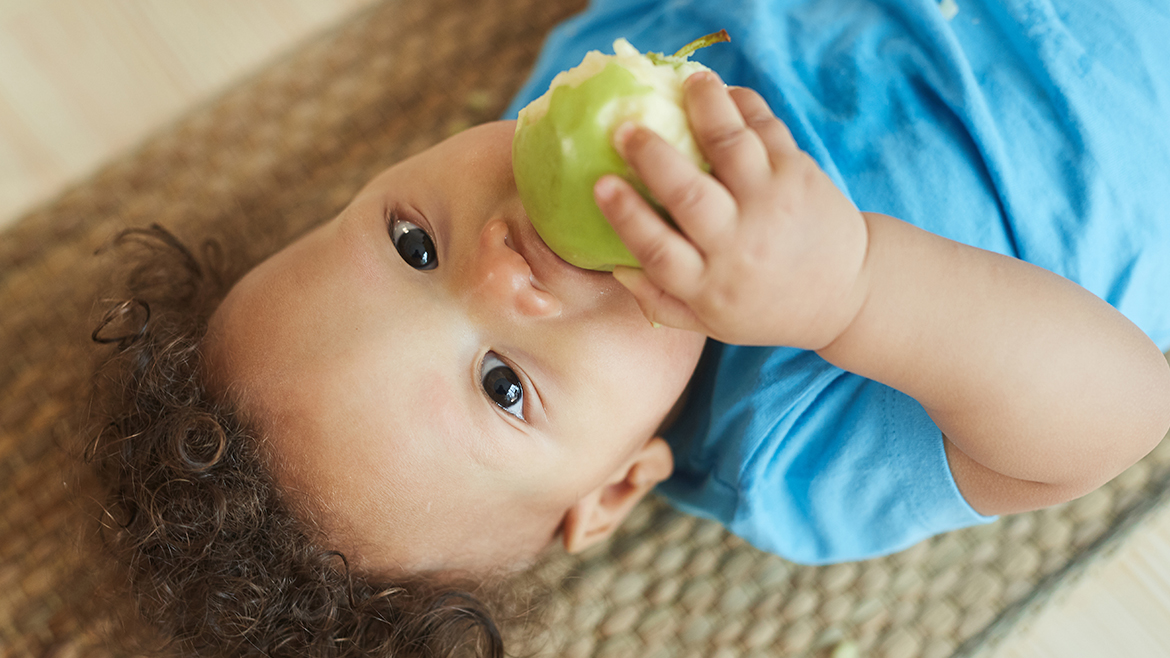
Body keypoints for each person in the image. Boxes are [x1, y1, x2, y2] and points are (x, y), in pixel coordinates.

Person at [86, 0, 1170, 655]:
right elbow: (1117, 411)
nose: (503, 266)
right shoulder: (788, 449)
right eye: (503, 385)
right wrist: (850, 292)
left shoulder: (582, 87)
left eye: (413, 244)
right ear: (612, 490)